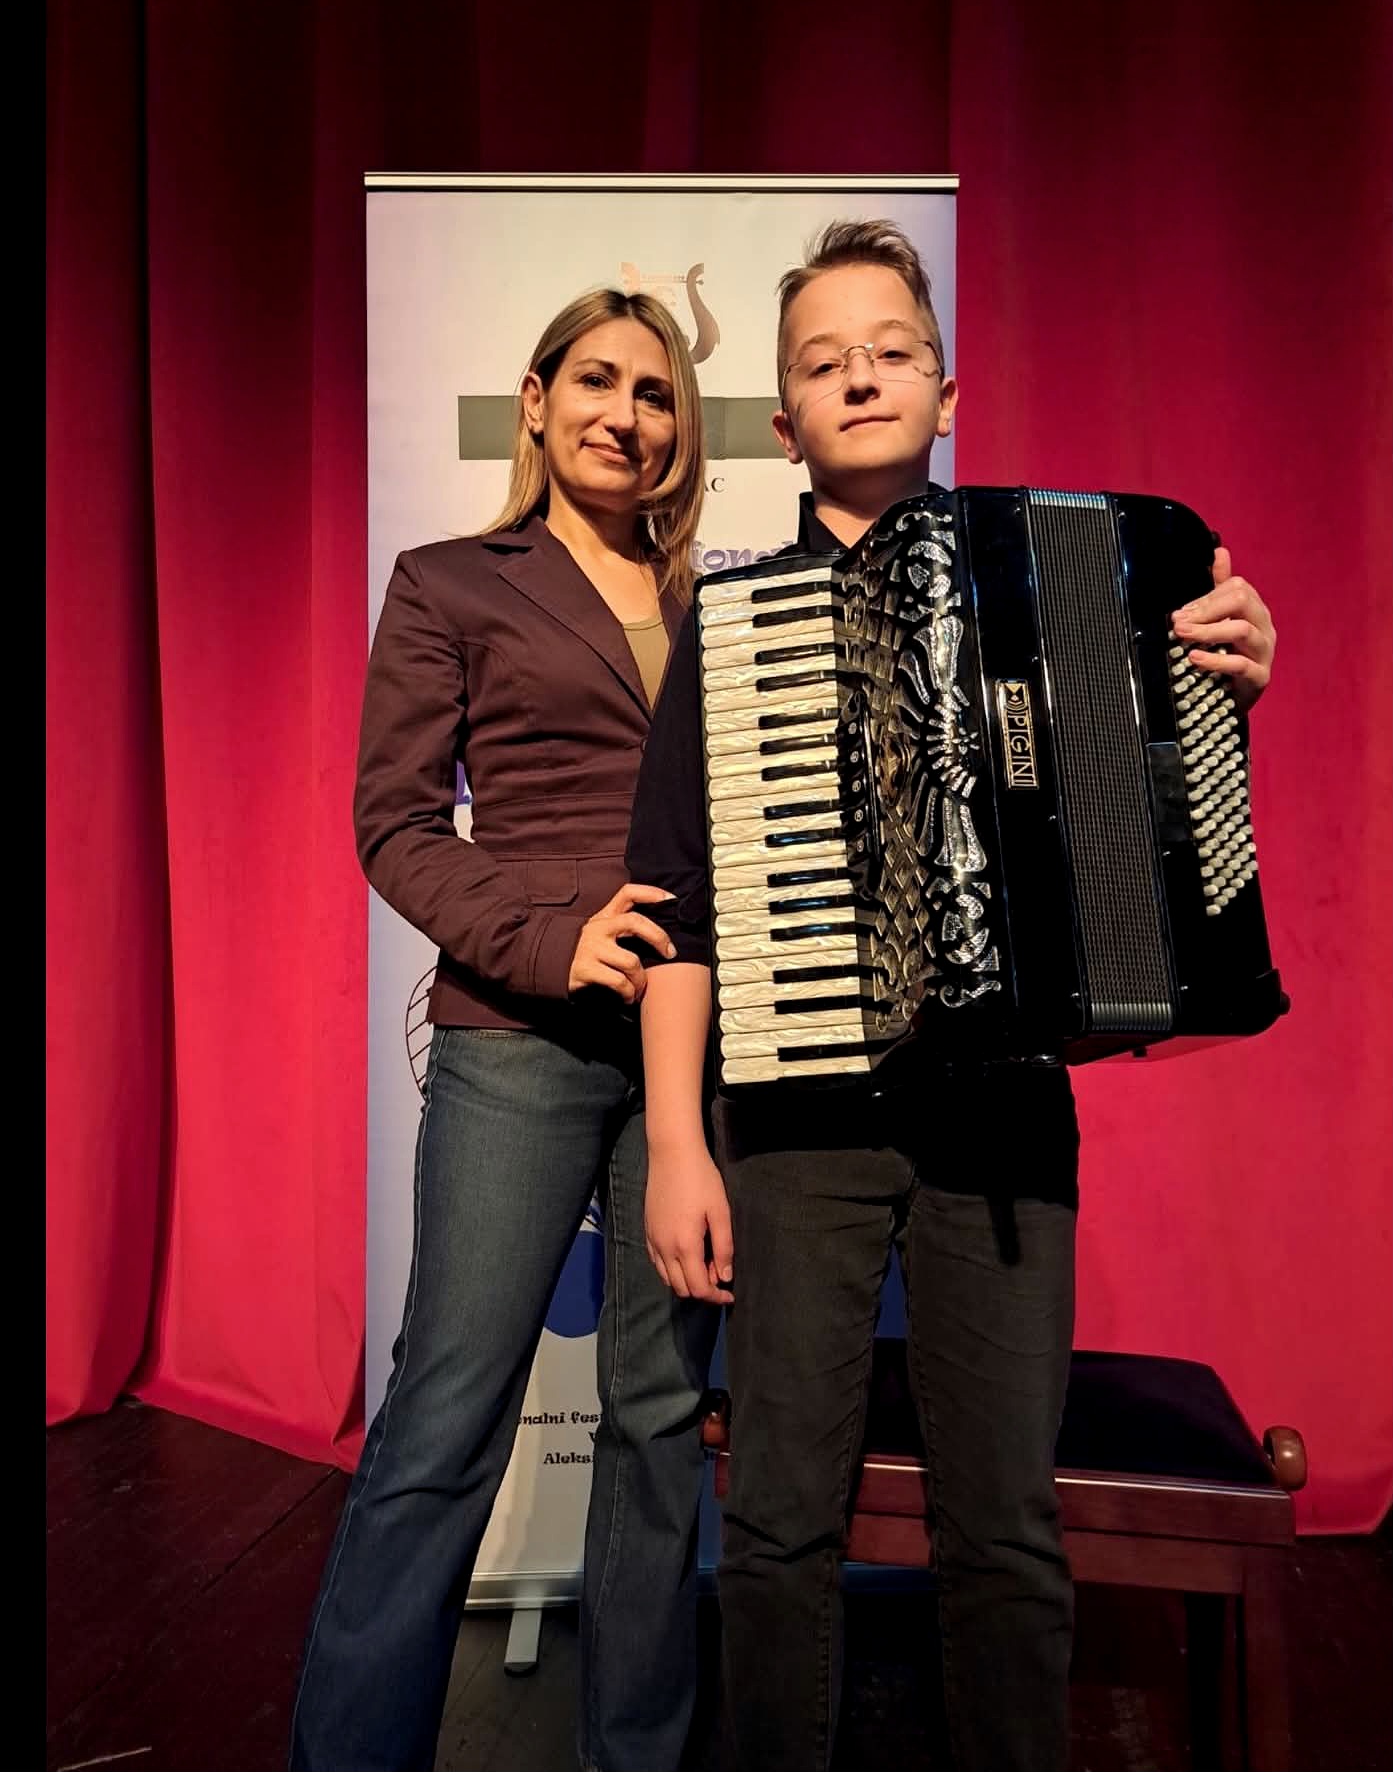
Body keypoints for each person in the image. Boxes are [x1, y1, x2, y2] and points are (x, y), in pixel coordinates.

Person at [629, 219, 1278, 1772]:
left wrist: (1219, 681)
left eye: (891, 351)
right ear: (782, 420)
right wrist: (677, 1142)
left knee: (1005, 1528)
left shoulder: (1071, 579)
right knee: (776, 1521)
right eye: (823, 362)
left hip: (1000, 1119)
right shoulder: (732, 624)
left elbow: (1153, 846)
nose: (861, 375)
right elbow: (681, 913)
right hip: (797, 1130)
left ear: (947, 388)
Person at [290, 286, 723, 1772]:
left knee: (660, 1422)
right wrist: (552, 941)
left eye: (655, 393)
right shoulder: (448, 583)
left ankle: (636, 1755)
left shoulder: (719, 603)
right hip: (518, 1037)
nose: (626, 414)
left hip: (692, 1051)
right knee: (444, 1421)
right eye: (596, 381)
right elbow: (397, 824)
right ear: (537, 403)